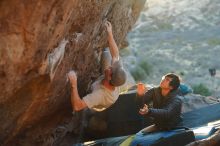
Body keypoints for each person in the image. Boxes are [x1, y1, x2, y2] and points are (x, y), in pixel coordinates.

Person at [68, 21, 126, 112]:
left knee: (84, 97)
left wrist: (73, 84)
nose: (110, 67)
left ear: (110, 77)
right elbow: (115, 55)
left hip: (98, 96)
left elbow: (77, 106)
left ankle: (86, 94)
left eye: (111, 69)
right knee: (107, 54)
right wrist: (110, 33)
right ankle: (97, 79)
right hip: (105, 82)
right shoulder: (117, 76)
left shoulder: (99, 95)